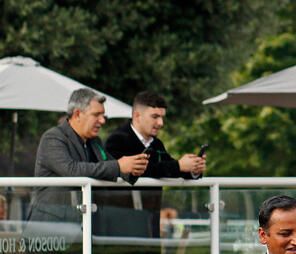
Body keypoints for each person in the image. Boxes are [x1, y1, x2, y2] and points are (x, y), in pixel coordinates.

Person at [28, 88, 147, 224]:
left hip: (82, 227)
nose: (102, 120)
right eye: (96, 114)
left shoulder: (95, 142)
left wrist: (133, 169)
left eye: (103, 115)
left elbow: (112, 167)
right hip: (48, 229)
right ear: (77, 114)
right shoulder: (53, 138)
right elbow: (71, 170)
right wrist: (119, 166)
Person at [104, 91, 206, 238]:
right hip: (123, 222)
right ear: (137, 116)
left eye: (162, 117)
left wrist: (193, 168)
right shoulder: (118, 139)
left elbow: (169, 168)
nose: (161, 123)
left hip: (151, 220)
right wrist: (178, 166)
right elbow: (137, 171)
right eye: (155, 117)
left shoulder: (156, 143)